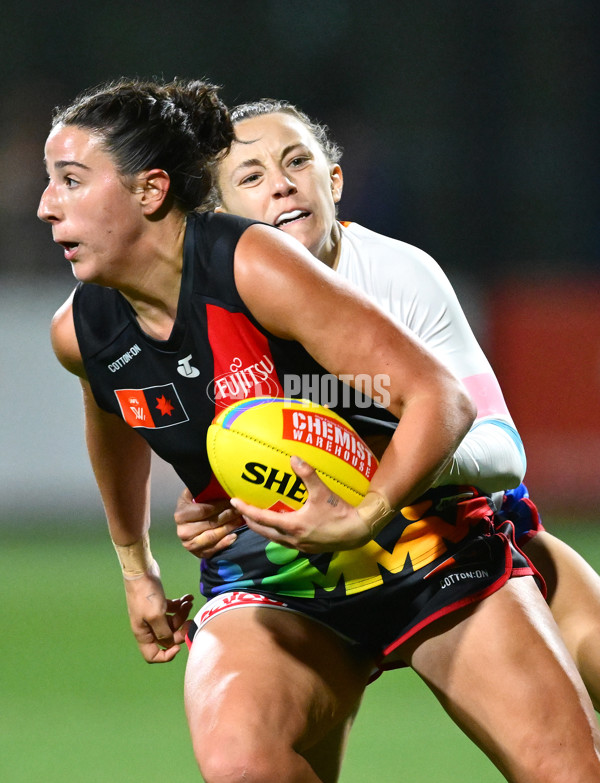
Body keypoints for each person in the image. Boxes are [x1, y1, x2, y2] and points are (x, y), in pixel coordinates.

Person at [39, 78, 600, 783]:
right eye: (50, 182)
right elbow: (112, 410)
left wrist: (362, 508)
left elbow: (443, 400)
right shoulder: (81, 330)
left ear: (150, 191)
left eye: (69, 180)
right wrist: (136, 565)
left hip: (423, 545)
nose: (44, 205)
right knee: (243, 762)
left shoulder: (259, 263)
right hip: (276, 576)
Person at [174, 98, 600, 715]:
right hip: (303, 574)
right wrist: (210, 511)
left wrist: (387, 464)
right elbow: (229, 456)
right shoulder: (206, 307)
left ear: (335, 181)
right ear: (218, 213)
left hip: (455, 534)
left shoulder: (400, 273)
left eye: (298, 161)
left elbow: (504, 450)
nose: (283, 184)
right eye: (251, 176)